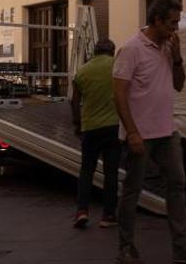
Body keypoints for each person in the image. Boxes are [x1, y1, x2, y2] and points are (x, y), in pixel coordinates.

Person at [113, 0, 186, 264]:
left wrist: (177, 58)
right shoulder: (131, 49)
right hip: (140, 134)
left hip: (167, 132)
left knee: (178, 185)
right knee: (132, 190)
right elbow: (119, 94)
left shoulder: (168, 47)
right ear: (156, 20)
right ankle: (126, 247)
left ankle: (181, 247)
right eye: (172, 23)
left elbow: (179, 85)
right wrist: (131, 132)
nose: (175, 29)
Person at [70, 38, 121, 229]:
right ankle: (108, 215)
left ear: (95, 52)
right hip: (113, 127)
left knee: (86, 171)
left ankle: (82, 212)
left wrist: (77, 125)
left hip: (90, 128)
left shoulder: (82, 71)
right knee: (111, 173)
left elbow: (74, 102)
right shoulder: (117, 66)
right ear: (111, 51)